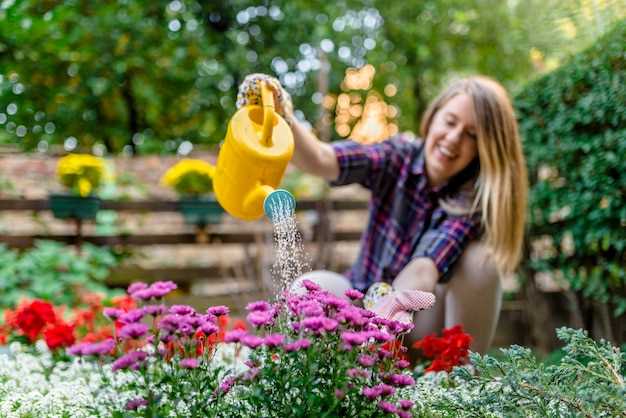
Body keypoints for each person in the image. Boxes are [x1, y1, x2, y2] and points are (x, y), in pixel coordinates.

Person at [249, 74, 528, 354]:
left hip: (420, 321)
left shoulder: (473, 199)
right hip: (363, 296)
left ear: (483, 149)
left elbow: (422, 270)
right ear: (433, 118)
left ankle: (459, 378)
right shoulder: (399, 156)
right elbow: (322, 160)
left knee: (481, 263)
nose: (454, 139)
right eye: (450, 122)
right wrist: (280, 114)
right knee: (309, 289)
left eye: (472, 135)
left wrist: (383, 327)